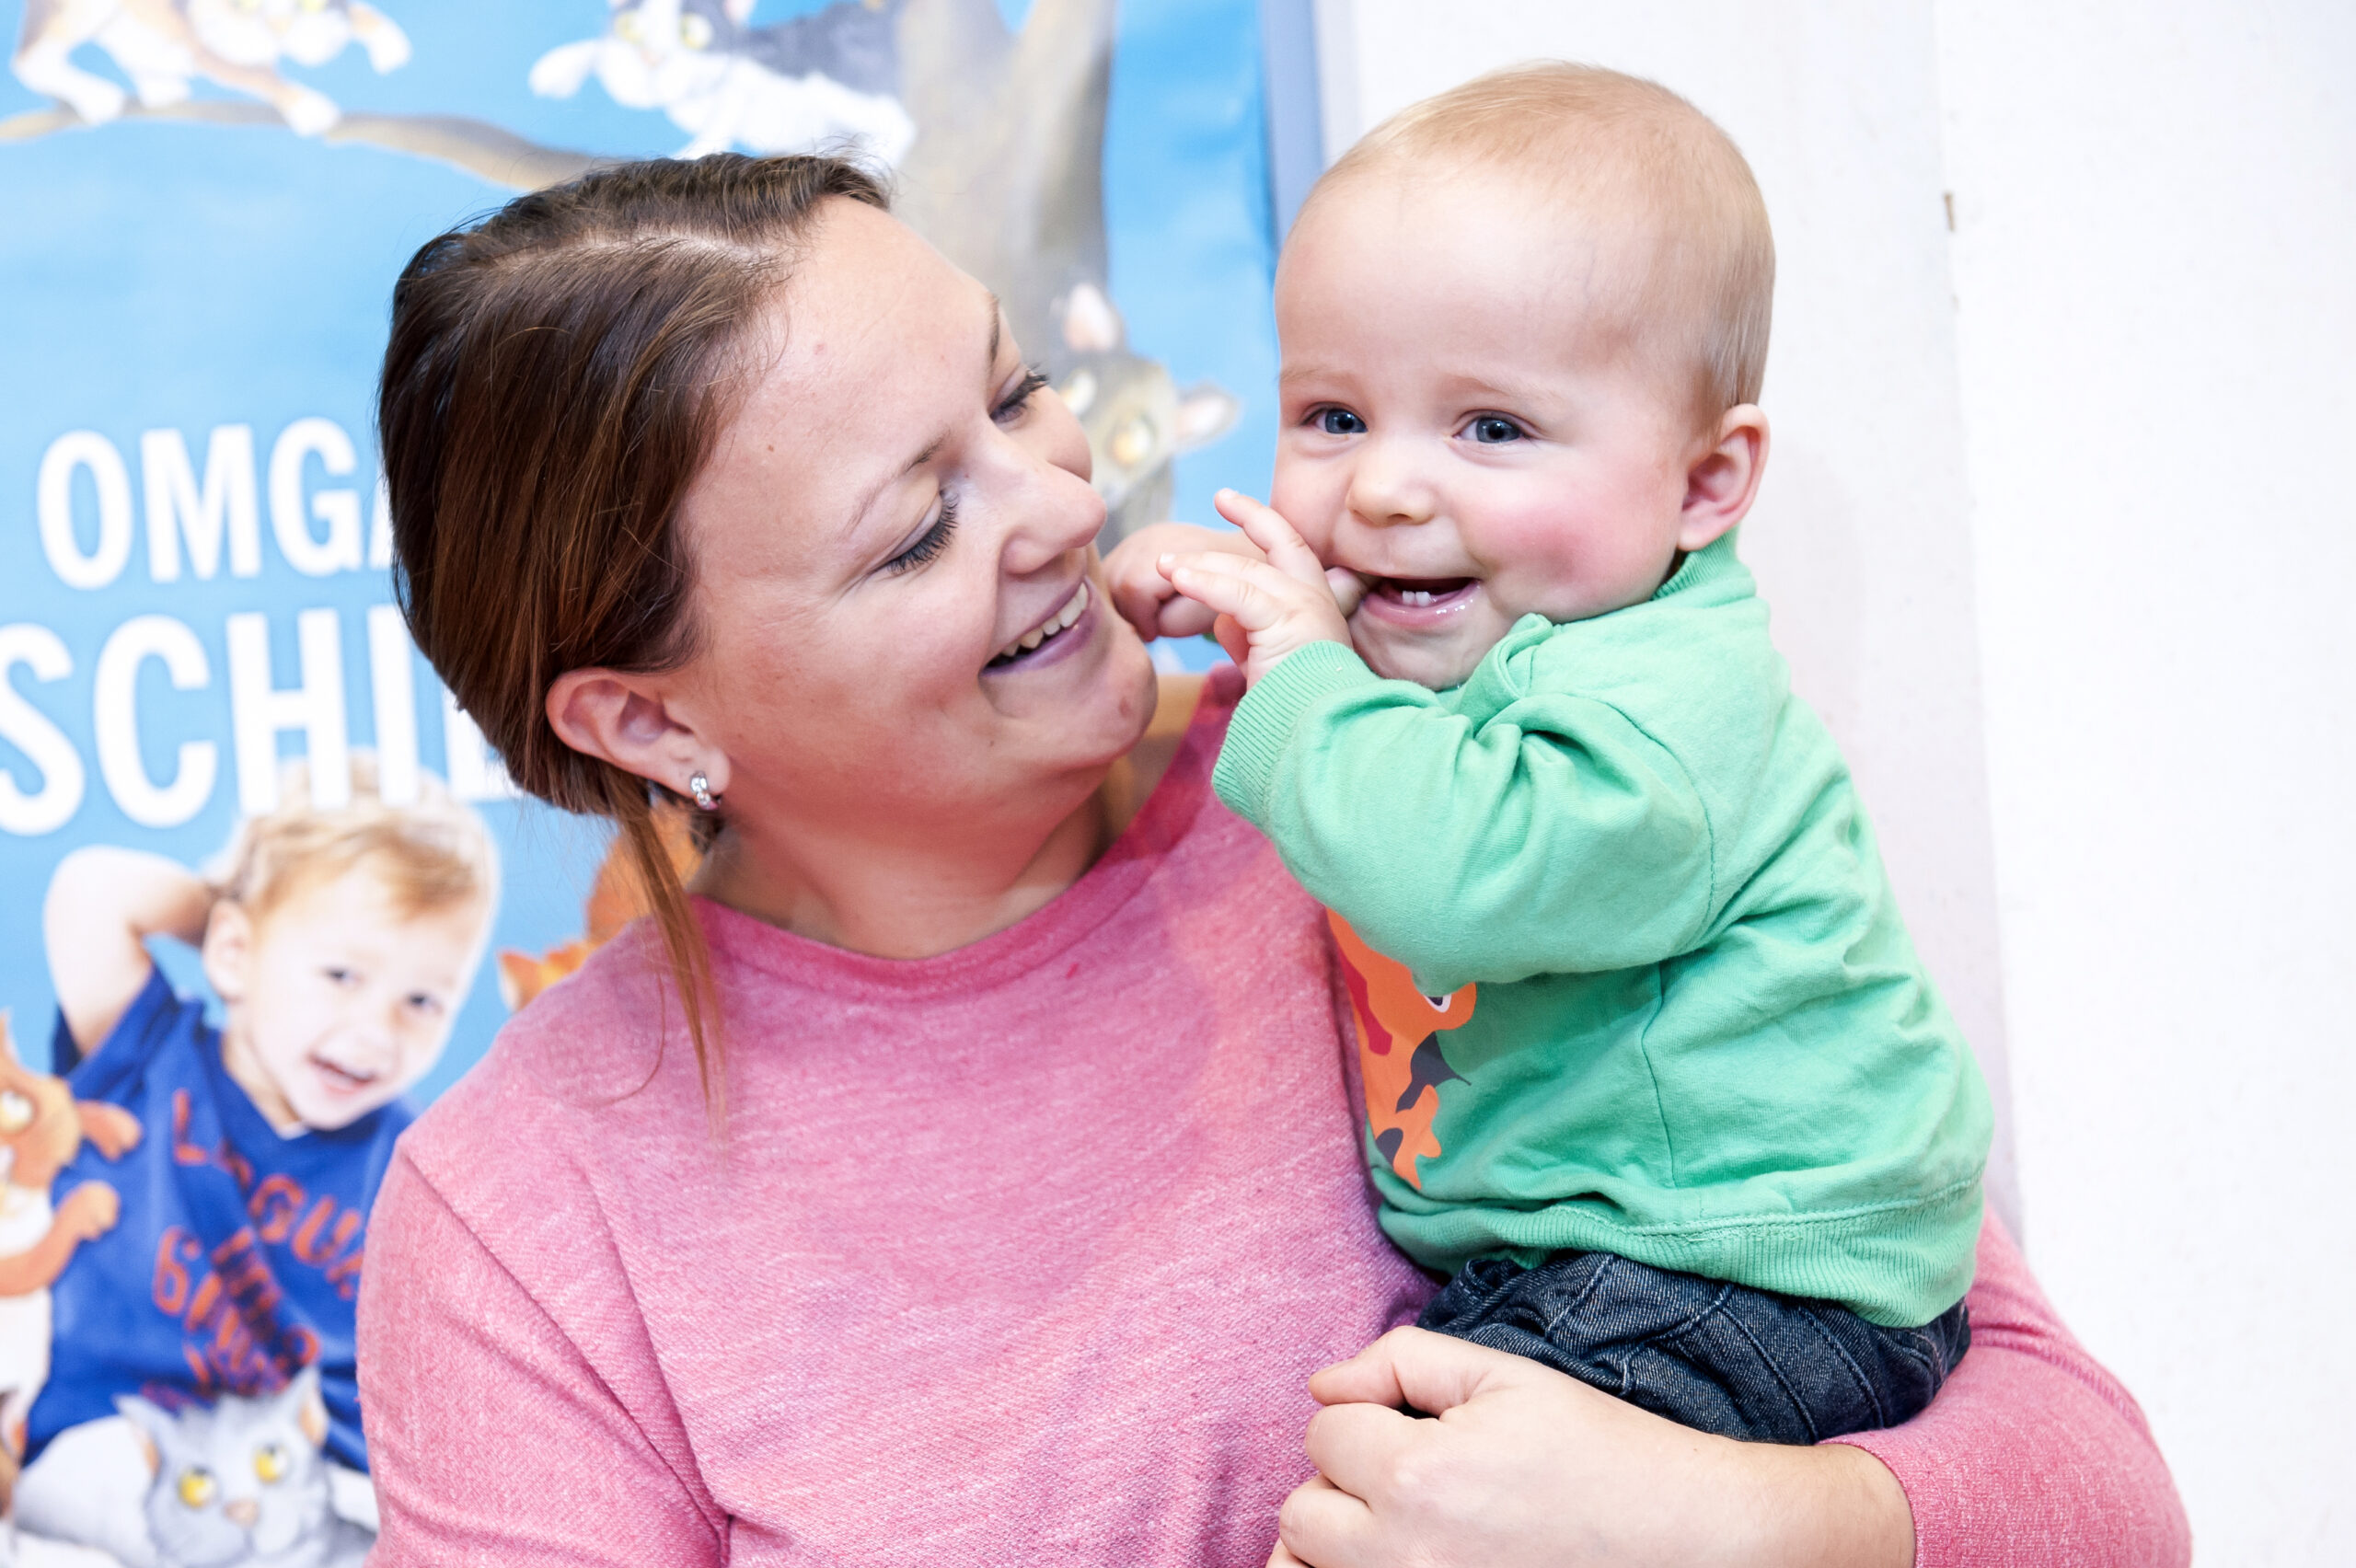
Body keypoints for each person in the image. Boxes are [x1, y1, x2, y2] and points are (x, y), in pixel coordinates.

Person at [358, 153, 2188, 1566]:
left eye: (1012, 398)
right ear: (646, 723)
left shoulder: (1423, 789)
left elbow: (2097, 1492)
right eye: (918, 527)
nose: (1069, 505)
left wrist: (1748, 1527)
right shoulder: (523, 1229)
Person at [1111, 63, 1986, 1447]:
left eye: (1492, 428)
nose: (1386, 489)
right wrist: (1247, 599)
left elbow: (1445, 863)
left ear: (1705, 483)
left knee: (1392, 1497)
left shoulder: (1664, 705)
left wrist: (1296, 667)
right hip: (1615, 1258)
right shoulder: (1513, 620)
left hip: (1744, 1267)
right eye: (1334, 417)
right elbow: (1385, 710)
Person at [29, 754, 495, 1474]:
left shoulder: (417, 1164)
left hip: (304, 1497)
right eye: (341, 975)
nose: (377, 1031)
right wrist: (253, 919)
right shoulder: (150, 1058)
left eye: (422, 1001)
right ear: (234, 950)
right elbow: (89, 892)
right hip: (111, 1464)